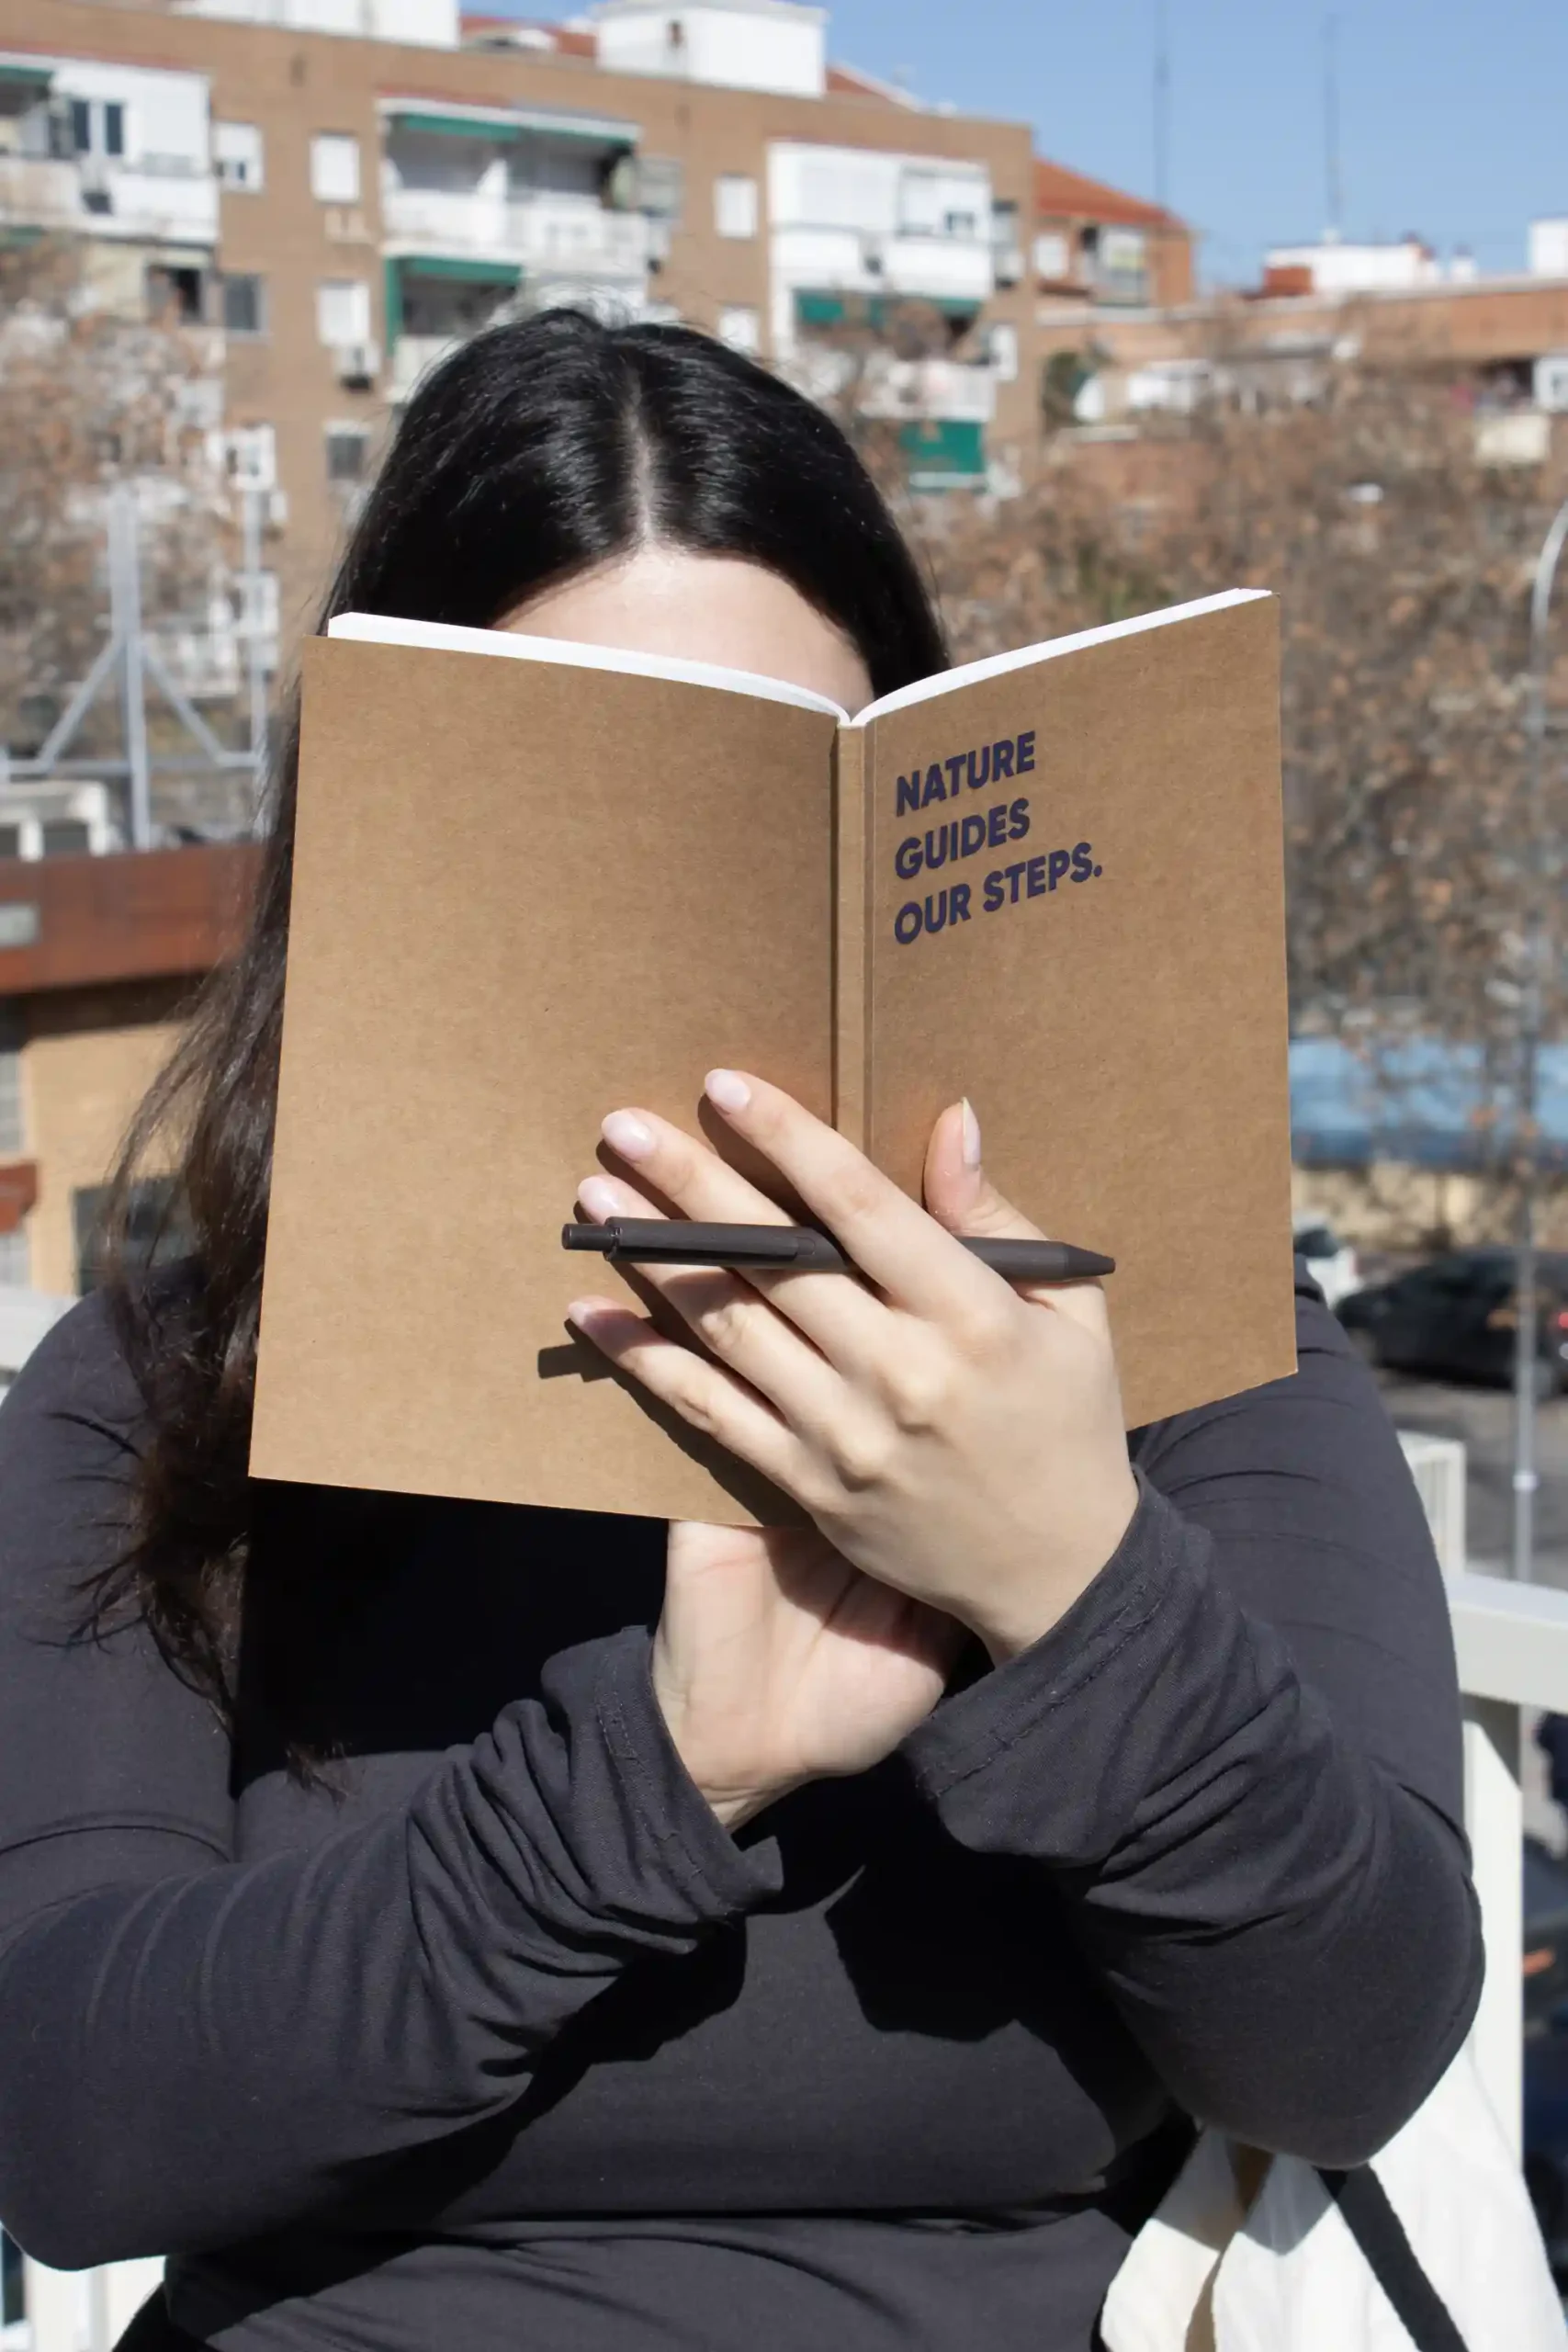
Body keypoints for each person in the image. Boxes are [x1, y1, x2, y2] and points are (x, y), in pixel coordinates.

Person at [0, 313, 1480, 2352]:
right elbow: (67, 2120)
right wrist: (665, 1773)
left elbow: (1350, 2046)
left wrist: (1067, 1580)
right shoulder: (170, 1391)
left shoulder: (1187, 1352)